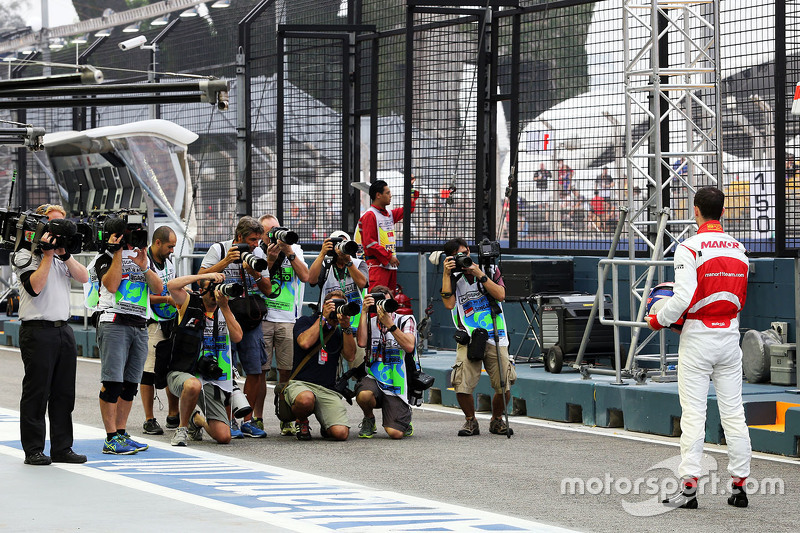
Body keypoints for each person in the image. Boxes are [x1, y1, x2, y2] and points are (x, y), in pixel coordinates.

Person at [646, 186, 751, 509]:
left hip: (699, 335)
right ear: (722, 211)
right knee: (734, 413)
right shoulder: (739, 249)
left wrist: (658, 319)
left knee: (694, 414)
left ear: (696, 210)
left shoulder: (688, 248)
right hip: (730, 334)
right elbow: (741, 298)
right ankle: (739, 486)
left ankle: (689, 488)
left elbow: (682, 297)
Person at [16, 204, 90, 465]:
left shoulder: (62, 256)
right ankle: (34, 449)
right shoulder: (25, 255)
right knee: (37, 392)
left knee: (63, 393)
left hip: (63, 330)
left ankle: (62, 447)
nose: (59, 229)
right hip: (37, 331)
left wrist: (64, 253)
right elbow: (34, 288)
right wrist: (47, 256)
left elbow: (84, 277)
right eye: (53, 224)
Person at [94, 216, 164, 455]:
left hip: (140, 325)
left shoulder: (142, 257)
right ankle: (110, 437)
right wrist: (116, 252)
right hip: (114, 322)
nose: (132, 239)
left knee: (130, 385)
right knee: (112, 382)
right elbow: (111, 286)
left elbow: (158, 288)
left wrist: (144, 266)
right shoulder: (103, 258)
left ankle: (122, 433)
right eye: (128, 234)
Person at [199, 216, 272, 438]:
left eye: (258, 240)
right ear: (239, 237)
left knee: (255, 369)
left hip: (250, 319)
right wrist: (226, 262)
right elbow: (201, 280)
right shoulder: (218, 249)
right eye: (251, 240)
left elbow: (268, 289)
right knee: (225, 369)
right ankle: (227, 418)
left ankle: (247, 419)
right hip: (223, 317)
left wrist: (256, 274)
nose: (255, 245)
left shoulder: (258, 253)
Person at [440, 238, 515, 437]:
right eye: (459, 256)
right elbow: (448, 304)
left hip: (495, 333)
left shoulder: (489, 269)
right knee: (462, 382)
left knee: (503, 382)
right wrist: (447, 273)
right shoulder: (452, 276)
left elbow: (500, 295)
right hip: (469, 335)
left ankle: (497, 420)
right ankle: (470, 421)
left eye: (466, 253)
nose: (464, 258)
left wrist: (479, 273)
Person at [165, 272, 243, 446]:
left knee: (224, 437)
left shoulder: (225, 310)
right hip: (184, 372)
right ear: (201, 289)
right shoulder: (189, 303)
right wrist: (207, 275)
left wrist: (225, 307)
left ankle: (196, 420)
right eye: (211, 288)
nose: (215, 293)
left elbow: (237, 337)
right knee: (193, 385)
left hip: (213, 378)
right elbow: (171, 285)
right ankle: (182, 429)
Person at [259, 214, 309, 435]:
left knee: (286, 372)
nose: (275, 235)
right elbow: (259, 282)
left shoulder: (294, 249)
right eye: (270, 232)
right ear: (262, 234)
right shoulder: (257, 252)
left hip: (288, 319)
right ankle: (257, 418)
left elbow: (306, 276)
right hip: (264, 318)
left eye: (277, 230)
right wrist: (270, 260)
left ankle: (285, 417)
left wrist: (288, 252)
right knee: (259, 372)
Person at [285, 290, 356, 440]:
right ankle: (302, 420)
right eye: (334, 305)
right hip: (301, 384)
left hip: (327, 389)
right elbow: (304, 343)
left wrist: (346, 327)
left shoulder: (340, 331)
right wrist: (323, 318)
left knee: (341, 434)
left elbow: (350, 356)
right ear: (324, 305)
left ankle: (327, 425)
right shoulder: (305, 321)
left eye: (341, 306)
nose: (337, 309)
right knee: (306, 400)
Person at [355, 286, 416, 439]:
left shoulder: (405, 320)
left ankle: (403, 416)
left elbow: (409, 346)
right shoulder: (370, 322)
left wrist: (390, 325)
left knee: (395, 434)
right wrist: (364, 312)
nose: (382, 305)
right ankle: (369, 418)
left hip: (398, 380)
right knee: (364, 395)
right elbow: (361, 343)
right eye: (378, 301)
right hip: (375, 377)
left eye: (386, 301)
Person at [140, 226, 180, 435]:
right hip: (151, 322)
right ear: (157, 243)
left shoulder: (169, 262)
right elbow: (142, 295)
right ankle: (149, 418)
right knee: (149, 371)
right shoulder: (143, 262)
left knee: (171, 367)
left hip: (170, 320)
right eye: (169, 246)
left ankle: (174, 412)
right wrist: (166, 299)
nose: (172, 250)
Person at [308, 230, 368, 367]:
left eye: (344, 244)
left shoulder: (358, 264)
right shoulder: (325, 265)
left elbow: (363, 283)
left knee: (358, 369)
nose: (341, 249)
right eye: (337, 244)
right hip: (331, 328)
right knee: (330, 371)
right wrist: (322, 254)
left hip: (354, 327)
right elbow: (311, 280)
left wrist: (348, 262)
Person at [355, 179, 417, 292]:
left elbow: (409, 209)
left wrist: (411, 189)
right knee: (377, 302)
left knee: (389, 303)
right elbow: (370, 243)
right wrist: (388, 257)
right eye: (387, 193)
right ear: (378, 195)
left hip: (389, 265)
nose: (390, 195)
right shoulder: (370, 215)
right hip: (377, 267)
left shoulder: (389, 214)